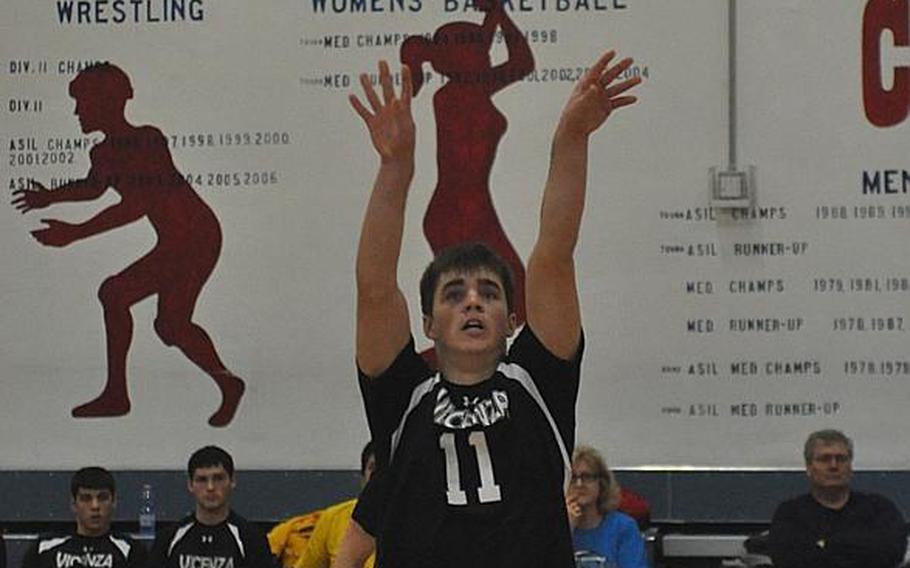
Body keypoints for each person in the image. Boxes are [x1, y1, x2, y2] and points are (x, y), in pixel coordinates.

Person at [346, 45, 640, 567]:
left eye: (489, 292)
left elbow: (554, 254)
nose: (473, 302)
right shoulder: (402, 395)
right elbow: (374, 286)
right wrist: (395, 167)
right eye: (454, 295)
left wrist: (571, 137)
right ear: (428, 325)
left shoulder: (539, 382)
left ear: (512, 319)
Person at [10, 62, 244, 427]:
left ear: (105, 102)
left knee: (122, 297)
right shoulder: (102, 154)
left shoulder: (147, 140)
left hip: (196, 237)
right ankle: (224, 383)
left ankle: (121, 393)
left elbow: (137, 206)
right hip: (177, 241)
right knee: (169, 324)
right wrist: (50, 198)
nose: (76, 111)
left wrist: (73, 232)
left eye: (82, 102)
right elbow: (93, 188)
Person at [401, 0, 534, 328]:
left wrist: (496, 13)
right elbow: (520, 63)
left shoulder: (465, 88)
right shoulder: (454, 96)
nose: (489, 55)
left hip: (467, 209)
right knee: (507, 299)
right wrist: (497, 13)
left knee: (515, 299)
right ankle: (444, 361)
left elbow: (518, 62)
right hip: (458, 213)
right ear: (465, 58)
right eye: (481, 52)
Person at [768, 429, 907, 568]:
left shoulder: (879, 509)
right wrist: (858, 544)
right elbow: (788, 560)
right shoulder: (790, 514)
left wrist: (826, 545)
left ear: (850, 466)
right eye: (824, 459)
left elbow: (891, 554)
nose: (833, 466)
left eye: (841, 459)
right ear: (809, 467)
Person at [148, 446, 272, 568]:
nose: (210, 487)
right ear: (190, 485)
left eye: (218, 478)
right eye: (202, 480)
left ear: (232, 481)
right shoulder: (168, 540)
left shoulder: (252, 540)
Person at [20, 467, 146, 568]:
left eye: (102, 498)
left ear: (114, 502)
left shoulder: (131, 551)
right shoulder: (44, 548)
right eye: (86, 498)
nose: (95, 506)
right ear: (73, 504)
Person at [292, 443, 376, 568]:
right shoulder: (333, 518)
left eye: (388, 470)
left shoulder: (413, 520)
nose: (380, 477)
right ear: (362, 478)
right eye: (373, 468)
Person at [566, 446, 648, 568]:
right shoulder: (554, 531)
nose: (579, 484)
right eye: (573, 478)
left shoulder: (623, 528)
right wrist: (566, 531)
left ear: (601, 483)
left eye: (587, 477)